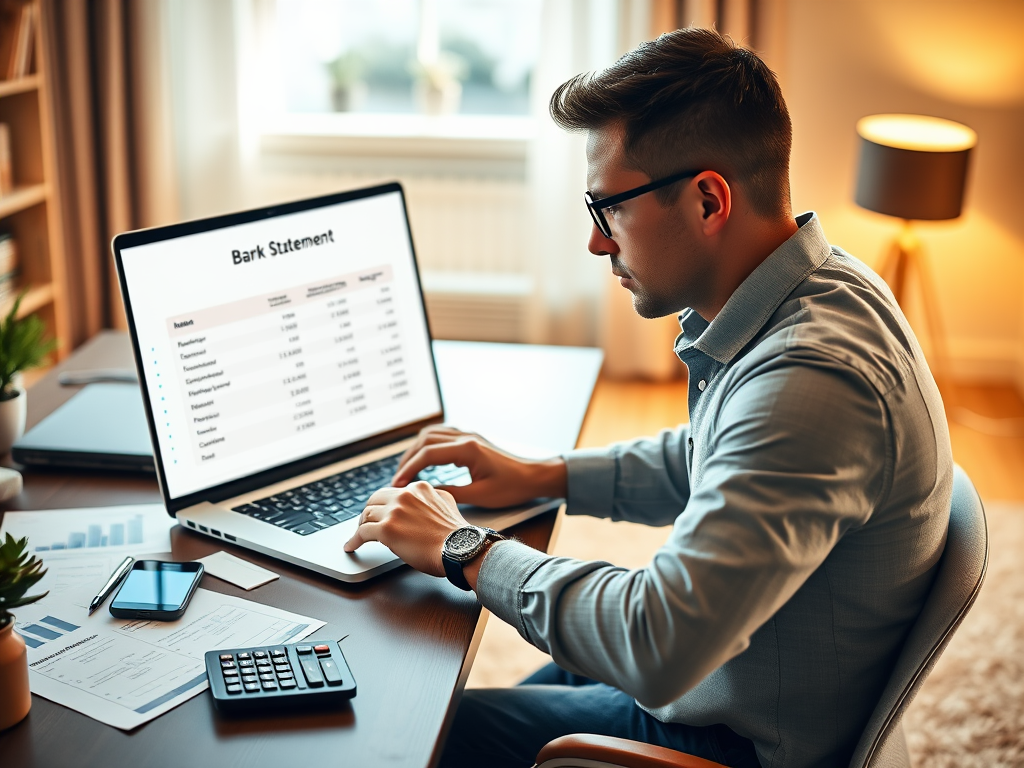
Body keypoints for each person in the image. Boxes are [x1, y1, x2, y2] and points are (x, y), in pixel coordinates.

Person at [344, 27, 952, 768]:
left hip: (730, 735)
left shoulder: (813, 383)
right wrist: (544, 475)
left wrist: (461, 546)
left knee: (404, 736)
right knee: (463, 688)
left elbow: (657, 643)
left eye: (609, 210)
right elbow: (714, 453)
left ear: (706, 199)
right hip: (729, 678)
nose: (598, 244)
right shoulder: (818, 284)